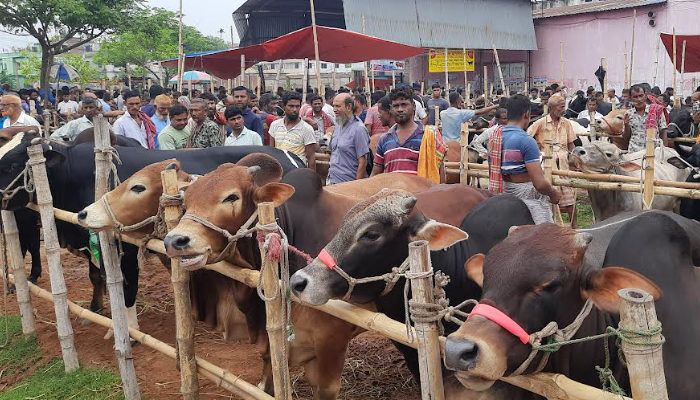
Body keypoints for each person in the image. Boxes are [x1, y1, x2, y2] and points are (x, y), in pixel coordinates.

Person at [487, 94, 560, 224]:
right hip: (526, 196)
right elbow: (539, 184)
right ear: (527, 114)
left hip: (502, 193)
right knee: (545, 236)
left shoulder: (495, 137)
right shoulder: (526, 141)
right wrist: (554, 194)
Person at [371, 88, 446, 183]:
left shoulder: (429, 135)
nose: (400, 109)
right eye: (396, 106)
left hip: (423, 196)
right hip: (394, 196)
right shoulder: (384, 139)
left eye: (404, 104)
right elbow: (376, 173)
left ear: (413, 106)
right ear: (391, 109)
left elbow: (439, 171)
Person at [527, 95, 577, 227]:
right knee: (549, 197)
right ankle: (550, 226)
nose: (564, 109)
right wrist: (537, 151)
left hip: (564, 166)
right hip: (547, 165)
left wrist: (573, 157)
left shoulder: (566, 123)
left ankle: (574, 227)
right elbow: (528, 138)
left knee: (570, 198)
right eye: (561, 106)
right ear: (553, 108)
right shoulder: (540, 123)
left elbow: (571, 144)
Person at [327, 93, 370, 184]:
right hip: (332, 180)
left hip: (348, 184)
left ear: (349, 107)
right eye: (333, 106)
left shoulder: (359, 129)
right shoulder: (338, 126)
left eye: (338, 106)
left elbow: (362, 162)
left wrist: (356, 186)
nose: (334, 110)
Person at [269, 91, 317, 169]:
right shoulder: (275, 125)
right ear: (283, 107)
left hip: (297, 172)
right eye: (291, 106)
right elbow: (271, 151)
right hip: (279, 170)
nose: (295, 109)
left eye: (297, 106)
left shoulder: (306, 129)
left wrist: (311, 178)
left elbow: (311, 158)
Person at [623, 84, 669, 153]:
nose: (639, 99)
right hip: (634, 153)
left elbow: (663, 132)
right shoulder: (628, 114)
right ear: (630, 98)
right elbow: (626, 138)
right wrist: (626, 126)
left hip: (654, 152)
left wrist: (664, 152)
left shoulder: (656, 110)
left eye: (641, 96)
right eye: (635, 97)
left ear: (645, 96)